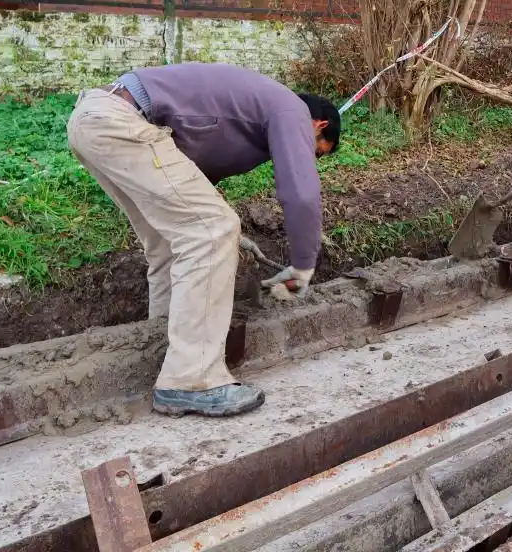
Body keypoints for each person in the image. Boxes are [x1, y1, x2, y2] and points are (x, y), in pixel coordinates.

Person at [66, 63, 340, 417]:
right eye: (317, 150)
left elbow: (182, 177)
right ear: (318, 125)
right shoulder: (291, 110)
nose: (310, 156)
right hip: (119, 122)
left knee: (170, 244)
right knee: (213, 231)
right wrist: (302, 265)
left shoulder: (251, 110)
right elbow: (301, 194)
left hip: (97, 118)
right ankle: (191, 379)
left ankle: (163, 344)